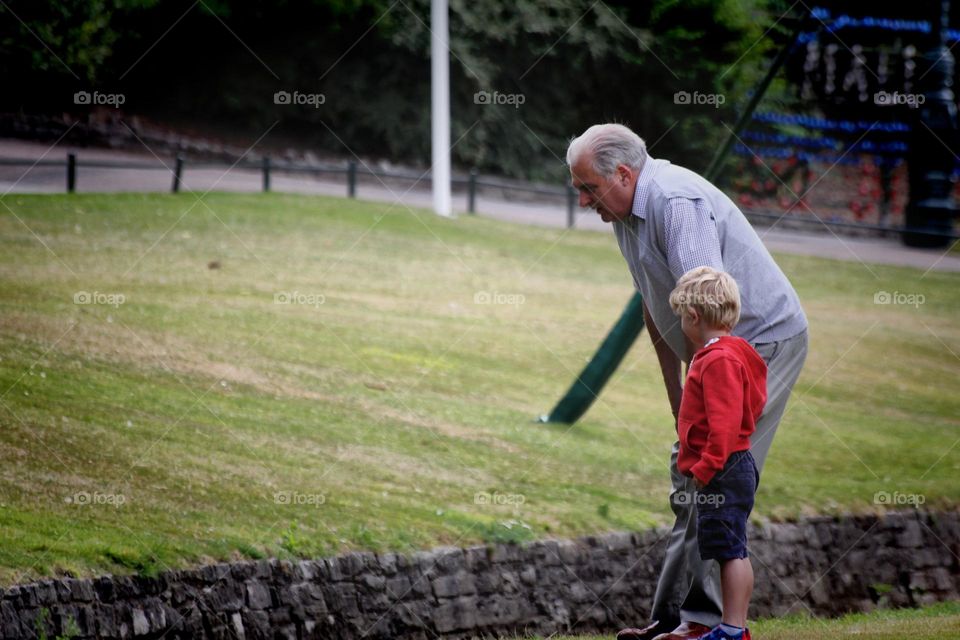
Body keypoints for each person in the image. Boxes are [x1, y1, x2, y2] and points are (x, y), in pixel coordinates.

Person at [565, 123, 809, 640]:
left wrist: (703, 399)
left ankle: (702, 625)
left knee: (715, 482)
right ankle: (673, 621)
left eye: (588, 187)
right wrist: (678, 395)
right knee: (690, 484)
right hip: (713, 356)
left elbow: (708, 310)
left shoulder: (676, 203)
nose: (583, 200)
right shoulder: (624, 214)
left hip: (756, 346)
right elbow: (658, 307)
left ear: (623, 174)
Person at [668, 266, 767, 640]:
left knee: (730, 552)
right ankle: (734, 626)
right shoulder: (737, 350)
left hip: (723, 469)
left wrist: (706, 467)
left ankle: (732, 629)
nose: (681, 323)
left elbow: (723, 424)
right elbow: (753, 404)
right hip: (734, 465)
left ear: (693, 316)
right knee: (734, 548)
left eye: (682, 316)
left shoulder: (717, 360)